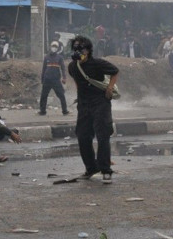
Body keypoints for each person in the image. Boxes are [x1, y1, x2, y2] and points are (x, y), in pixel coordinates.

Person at [68, 35, 119, 184]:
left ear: (88, 50)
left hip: (100, 103)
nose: (78, 51)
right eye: (76, 48)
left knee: (103, 135)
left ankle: (106, 170)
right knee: (83, 136)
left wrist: (110, 88)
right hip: (84, 105)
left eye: (81, 48)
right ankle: (91, 168)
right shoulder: (73, 66)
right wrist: (79, 95)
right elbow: (77, 82)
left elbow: (115, 71)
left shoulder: (97, 63)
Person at [39, 41, 68, 115]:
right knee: (43, 96)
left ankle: (65, 111)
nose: (54, 48)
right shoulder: (46, 57)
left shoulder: (60, 58)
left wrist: (64, 77)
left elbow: (63, 68)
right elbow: (44, 69)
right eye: (53, 46)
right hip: (47, 80)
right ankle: (42, 111)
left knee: (61, 95)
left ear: (57, 48)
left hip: (56, 80)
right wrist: (42, 79)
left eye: (55, 47)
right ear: (50, 47)